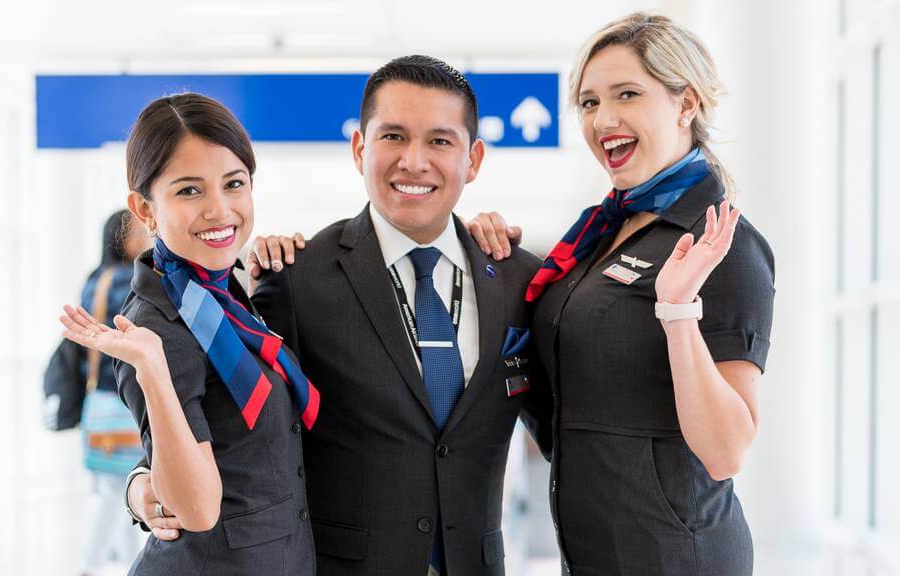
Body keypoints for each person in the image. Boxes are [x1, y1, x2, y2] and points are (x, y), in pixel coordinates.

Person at [126, 55, 553, 576]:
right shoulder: (296, 278)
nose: (414, 161)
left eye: (440, 141)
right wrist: (143, 483)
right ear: (359, 148)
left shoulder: (518, 280)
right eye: (393, 136)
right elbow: (242, 427)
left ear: (473, 159)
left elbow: (565, 435)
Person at [467, 12, 775, 576]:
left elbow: (726, 451)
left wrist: (678, 311)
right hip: (591, 551)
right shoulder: (597, 235)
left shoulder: (720, 244)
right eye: (588, 103)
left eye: (627, 95)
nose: (603, 119)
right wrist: (496, 264)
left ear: (687, 105)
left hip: (674, 558)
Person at [60, 93, 319, 575]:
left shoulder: (223, 290)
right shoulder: (155, 326)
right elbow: (198, 510)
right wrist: (152, 372)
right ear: (145, 208)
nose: (220, 210)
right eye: (189, 191)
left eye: (234, 183)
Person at [78, 209, 149, 576]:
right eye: (140, 230)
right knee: (122, 490)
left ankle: (112, 563)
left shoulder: (95, 279)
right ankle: (91, 566)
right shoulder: (128, 280)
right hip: (122, 400)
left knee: (110, 487)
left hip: (99, 401)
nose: (148, 236)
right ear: (122, 239)